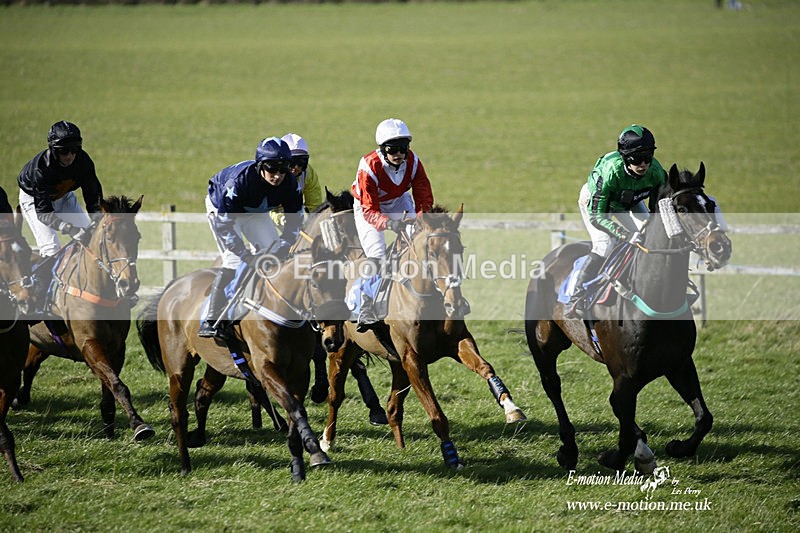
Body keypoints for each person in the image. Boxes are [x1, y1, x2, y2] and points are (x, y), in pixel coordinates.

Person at [200, 137, 303, 339]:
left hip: (255, 211)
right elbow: (224, 226)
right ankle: (212, 318)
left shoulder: (290, 183)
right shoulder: (238, 182)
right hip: (224, 212)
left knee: (274, 255)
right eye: (272, 169)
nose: (278, 176)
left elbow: (296, 220)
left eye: (283, 169)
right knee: (234, 259)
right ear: (260, 165)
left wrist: (285, 244)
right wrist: (246, 256)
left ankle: (268, 307)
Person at [565, 124, 668, 319]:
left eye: (648, 157)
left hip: (629, 201)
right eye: (637, 159)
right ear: (625, 157)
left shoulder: (657, 172)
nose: (643, 164)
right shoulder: (609, 172)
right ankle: (576, 298)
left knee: (651, 238)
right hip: (596, 204)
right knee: (605, 245)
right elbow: (598, 217)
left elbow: (656, 212)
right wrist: (625, 235)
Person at [350, 118, 434, 328]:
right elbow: (370, 210)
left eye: (403, 148)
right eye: (392, 149)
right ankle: (364, 303)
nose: (399, 154)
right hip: (367, 208)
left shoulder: (413, 162)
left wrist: (422, 223)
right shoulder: (368, 166)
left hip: (398, 201)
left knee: (419, 241)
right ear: (382, 149)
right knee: (377, 255)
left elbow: (424, 196)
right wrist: (390, 224)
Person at [17, 121, 102, 315]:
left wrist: (96, 222)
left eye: (74, 150)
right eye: (64, 151)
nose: (70, 156)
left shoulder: (84, 162)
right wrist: (70, 229)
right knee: (51, 247)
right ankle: (39, 300)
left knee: (90, 239)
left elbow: (93, 196)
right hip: (36, 202)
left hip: (63, 197)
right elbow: (44, 211)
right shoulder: (41, 168)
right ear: (54, 150)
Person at [270, 133, 324, 232]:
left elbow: (314, 207)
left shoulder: (308, 174)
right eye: (292, 162)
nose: (296, 168)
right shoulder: (271, 174)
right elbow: (266, 209)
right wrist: (281, 218)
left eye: (301, 162)